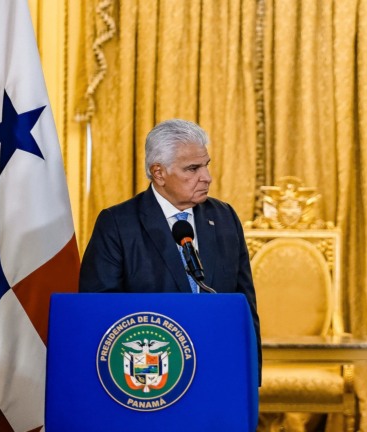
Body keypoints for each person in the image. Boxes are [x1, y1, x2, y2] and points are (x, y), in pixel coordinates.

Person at [79, 118, 262, 366]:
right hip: (151, 371)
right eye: (192, 169)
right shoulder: (118, 224)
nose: (206, 177)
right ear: (159, 173)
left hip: (218, 365)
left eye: (206, 166)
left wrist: (250, 374)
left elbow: (245, 305)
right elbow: (98, 309)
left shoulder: (224, 217)